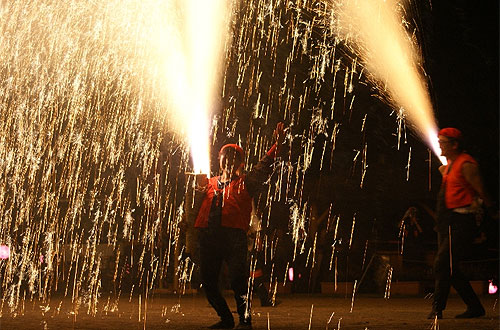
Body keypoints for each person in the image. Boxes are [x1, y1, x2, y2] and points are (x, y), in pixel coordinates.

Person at [193, 123, 285, 329]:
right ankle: (226, 318)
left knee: (237, 280)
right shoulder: (208, 183)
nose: (228, 159)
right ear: (219, 160)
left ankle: (245, 319)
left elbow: (264, 166)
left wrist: (276, 146)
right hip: (209, 236)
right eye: (225, 155)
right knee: (208, 282)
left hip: (234, 237)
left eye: (234, 157)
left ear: (240, 163)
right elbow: (195, 207)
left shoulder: (246, 182)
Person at [428, 127, 495, 319]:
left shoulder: (467, 164)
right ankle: (475, 307)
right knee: (450, 267)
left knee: (442, 263)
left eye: (443, 142)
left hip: (462, 222)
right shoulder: (449, 165)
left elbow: (481, 189)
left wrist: (493, 211)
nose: (439, 145)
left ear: (455, 144)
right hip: (447, 221)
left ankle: (437, 308)